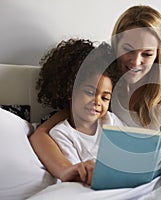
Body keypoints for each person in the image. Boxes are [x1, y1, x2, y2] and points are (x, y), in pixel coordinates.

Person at [29, 5, 161, 186]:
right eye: (128, 50)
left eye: (147, 54)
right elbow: (41, 134)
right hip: (151, 182)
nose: (136, 62)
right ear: (116, 46)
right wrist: (67, 170)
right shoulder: (104, 88)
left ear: (159, 53)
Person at [34, 38, 123, 184]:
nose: (97, 102)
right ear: (70, 90)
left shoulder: (110, 120)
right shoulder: (61, 132)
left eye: (105, 98)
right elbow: (75, 174)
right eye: (89, 92)